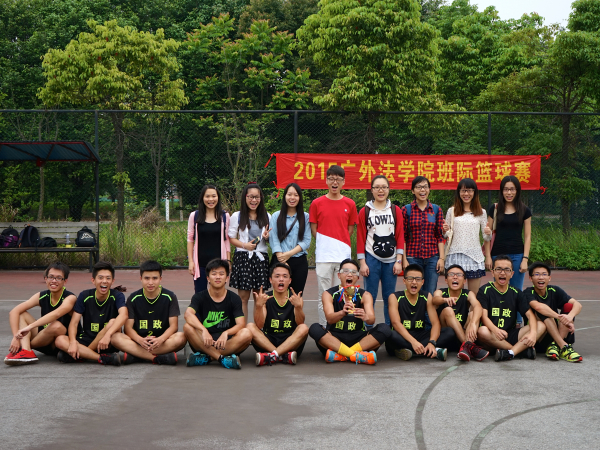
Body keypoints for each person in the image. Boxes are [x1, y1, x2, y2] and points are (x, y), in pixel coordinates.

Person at [308, 259, 391, 365]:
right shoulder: (329, 294)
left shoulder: (365, 295)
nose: (350, 274)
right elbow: (329, 319)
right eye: (345, 271)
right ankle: (357, 355)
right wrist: (342, 312)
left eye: (354, 272)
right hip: (335, 338)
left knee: (384, 328)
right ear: (339, 275)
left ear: (358, 277)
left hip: (359, 339)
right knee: (314, 328)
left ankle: (341, 355)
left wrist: (366, 317)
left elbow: (371, 320)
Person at [111, 260, 186, 365]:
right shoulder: (133, 298)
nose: (150, 282)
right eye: (147, 278)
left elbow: (174, 326)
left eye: (154, 278)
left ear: (160, 279)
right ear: (141, 279)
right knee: (115, 338)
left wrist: (160, 339)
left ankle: (137, 355)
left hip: (162, 342)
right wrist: (140, 340)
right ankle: (157, 358)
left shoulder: (170, 297)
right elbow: (128, 328)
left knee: (181, 338)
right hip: (139, 342)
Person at [309, 165, 358, 326]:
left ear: (343, 182)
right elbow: (314, 229)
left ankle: (341, 328)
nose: (334, 182)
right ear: (326, 181)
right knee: (323, 295)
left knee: (344, 294)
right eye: (331, 179)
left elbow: (350, 229)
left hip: (343, 257)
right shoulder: (317, 203)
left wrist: (338, 242)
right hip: (323, 257)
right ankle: (325, 329)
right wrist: (327, 243)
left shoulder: (350, 204)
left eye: (338, 179)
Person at [54, 261, 128, 366]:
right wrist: (73, 342)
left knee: (112, 322)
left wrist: (107, 335)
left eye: (108, 278)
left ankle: (83, 355)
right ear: (93, 280)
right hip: (88, 338)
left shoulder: (117, 296)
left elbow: (124, 315)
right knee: (60, 340)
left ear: (113, 281)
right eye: (100, 277)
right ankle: (101, 358)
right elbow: (74, 323)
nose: (104, 281)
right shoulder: (85, 295)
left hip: (107, 341)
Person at [184, 259, 252, 369]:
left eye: (221, 274)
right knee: (187, 327)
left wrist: (226, 333)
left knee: (247, 333)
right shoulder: (199, 297)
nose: (218, 277)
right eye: (214, 274)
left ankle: (207, 358)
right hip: (204, 341)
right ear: (208, 278)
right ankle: (222, 359)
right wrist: (204, 330)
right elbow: (188, 314)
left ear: (227, 278)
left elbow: (241, 324)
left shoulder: (234, 298)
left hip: (226, 342)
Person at [4, 262, 77, 366]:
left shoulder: (70, 298)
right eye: (51, 277)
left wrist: (29, 327)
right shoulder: (42, 295)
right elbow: (14, 311)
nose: (54, 281)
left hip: (59, 342)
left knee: (56, 326)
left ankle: (25, 348)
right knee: (21, 313)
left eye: (58, 278)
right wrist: (16, 337)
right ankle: (26, 350)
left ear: (65, 281)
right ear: (45, 279)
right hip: (43, 340)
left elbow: (56, 314)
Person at [476, 255, 545, 361]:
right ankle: (518, 351)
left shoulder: (516, 292)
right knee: (482, 331)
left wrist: (533, 333)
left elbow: (530, 315)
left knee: (540, 325)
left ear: (512, 274)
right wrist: (496, 330)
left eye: (507, 270)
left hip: (510, 334)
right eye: (498, 269)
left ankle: (510, 352)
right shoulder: (485, 290)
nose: (502, 273)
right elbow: (484, 317)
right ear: (492, 272)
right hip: (491, 334)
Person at [357, 175, 404, 326]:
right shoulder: (365, 211)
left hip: (391, 261)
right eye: (377, 187)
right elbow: (360, 238)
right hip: (371, 258)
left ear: (389, 189)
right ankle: (368, 328)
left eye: (384, 187)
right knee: (369, 296)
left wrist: (399, 261)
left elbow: (400, 236)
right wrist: (362, 263)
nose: (380, 190)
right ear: (372, 190)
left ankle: (390, 329)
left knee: (390, 297)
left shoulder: (395, 210)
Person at [385, 264, 454, 361]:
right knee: (389, 335)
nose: (414, 282)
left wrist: (431, 342)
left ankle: (409, 351)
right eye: (410, 279)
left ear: (422, 282)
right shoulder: (395, 297)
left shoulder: (426, 296)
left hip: (420, 334)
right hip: (402, 335)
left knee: (449, 332)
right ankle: (431, 351)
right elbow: (395, 323)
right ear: (404, 281)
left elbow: (435, 323)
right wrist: (413, 342)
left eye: (418, 279)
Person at [247, 263, 309, 366]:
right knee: (250, 326)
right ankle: (282, 356)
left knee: (304, 328)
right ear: (271, 280)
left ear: (290, 280)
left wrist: (298, 307)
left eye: (285, 276)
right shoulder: (265, 298)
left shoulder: (296, 299)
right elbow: (259, 325)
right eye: (277, 276)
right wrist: (259, 306)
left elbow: (300, 323)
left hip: (290, 341)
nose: (281, 279)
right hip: (268, 341)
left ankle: (271, 356)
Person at [523, 262, 583, 362]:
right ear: (530, 278)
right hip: (540, 337)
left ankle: (555, 345)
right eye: (537, 274)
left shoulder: (554, 290)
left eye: (544, 274)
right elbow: (538, 307)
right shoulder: (528, 292)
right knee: (543, 311)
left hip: (558, 332)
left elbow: (577, 305)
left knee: (569, 306)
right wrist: (560, 317)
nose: (541, 277)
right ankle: (563, 346)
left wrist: (569, 317)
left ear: (549, 278)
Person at [228, 183, 271, 320]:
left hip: (261, 258)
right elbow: (231, 237)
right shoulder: (237, 216)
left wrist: (267, 237)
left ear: (261, 198)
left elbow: (270, 239)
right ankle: (243, 329)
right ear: (245, 197)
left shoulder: (267, 216)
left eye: (257, 197)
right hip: (243, 257)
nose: (254, 200)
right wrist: (244, 245)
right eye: (251, 197)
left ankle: (258, 329)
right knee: (243, 298)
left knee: (259, 298)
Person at [442, 178, 492, 293]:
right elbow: (446, 235)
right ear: (459, 192)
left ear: (474, 192)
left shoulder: (481, 212)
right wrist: (445, 231)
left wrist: (488, 233)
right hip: (455, 256)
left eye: (469, 190)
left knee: (473, 295)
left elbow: (486, 238)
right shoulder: (452, 211)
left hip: (474, 257)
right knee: (456, 295)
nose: (466, 194)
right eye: (463, 190)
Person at [431, 265, 489, 362]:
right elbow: (434, 300)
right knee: (448, 310)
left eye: (459, 275)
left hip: (463, 331)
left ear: (464, 281)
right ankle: (469, 346)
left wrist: (473, 323)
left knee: (473, 314)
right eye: (451, 274)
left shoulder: (468, 293)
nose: (455, 277)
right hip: (447, 334)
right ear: (446, 280)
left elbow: (478, 306)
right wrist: (445, 300)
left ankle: (466, 347)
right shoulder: (440, 292)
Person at [485, 175, 532, 291]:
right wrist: (488, 257)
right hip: (497, 255)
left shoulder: (525, 210)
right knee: (499, 289)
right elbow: (487, 235)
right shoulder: (495, 208)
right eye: (506, 189)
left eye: (512, 189)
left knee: (516, 291)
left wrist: (525, 259)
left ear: (517, 191)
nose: (509, 193)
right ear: (501, 191)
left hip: (517, 256)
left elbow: (527, 236)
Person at [401, 176, 445, 297]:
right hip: (412, 257)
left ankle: (428, 311)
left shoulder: (436, 210)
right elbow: (403, 237)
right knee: (414, 292)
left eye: (425, 187)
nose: (422, 190)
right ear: (412, 190)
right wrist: (404, 259)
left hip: (432, 258)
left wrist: (441, 258)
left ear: (429, 189)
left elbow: (439, 236)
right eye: (419, 187)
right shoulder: (406, 210)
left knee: (430, 293)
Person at [187, 184, 231, 293]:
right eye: (207, 196)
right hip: (200, 264)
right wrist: (191, 261)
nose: (210, 199)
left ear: (218, 197)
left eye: (213, 196)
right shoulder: (194, 216)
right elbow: (190, 239)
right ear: (202, 198)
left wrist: (228, 261)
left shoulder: (225, 216)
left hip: (219, 264)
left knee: (218, 294)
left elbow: (226, 240)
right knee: (200, 294)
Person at [269, 183, 311, 295]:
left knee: (296, 295)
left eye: (296, 195)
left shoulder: (305, 217)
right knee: (280, 295)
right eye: (289, 194)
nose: (292, 198)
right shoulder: (276, 216)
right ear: (285, 196)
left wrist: (289, 254)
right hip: (279, 259)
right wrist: (281, 258)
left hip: (299, 261)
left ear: (300, 197)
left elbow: (306, 241)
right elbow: (274, 239)